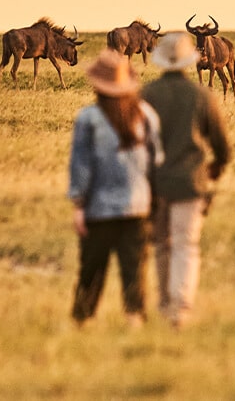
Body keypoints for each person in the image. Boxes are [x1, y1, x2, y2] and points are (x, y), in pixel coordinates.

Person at [67, 49, 163, 328]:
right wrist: (154, 201)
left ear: (97, 84)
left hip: (99, 209)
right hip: (138, 206)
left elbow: (81, 167)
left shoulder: (88, 119)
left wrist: (78, 205)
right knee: (134, 269)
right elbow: (157, 162)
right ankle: (134, 321)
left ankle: (82, 322)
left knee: (92, 269)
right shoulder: (145, 115)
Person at [141, 32, 231, 329]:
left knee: (161, 244)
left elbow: (135, 143)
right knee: (186, 244)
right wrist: (217, 166)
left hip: (154, 184)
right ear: (189, 60)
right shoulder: (201, 96)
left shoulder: (145, 95)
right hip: (191, 182)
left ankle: (165, 302)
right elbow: (221, 143)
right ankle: (180, 308)